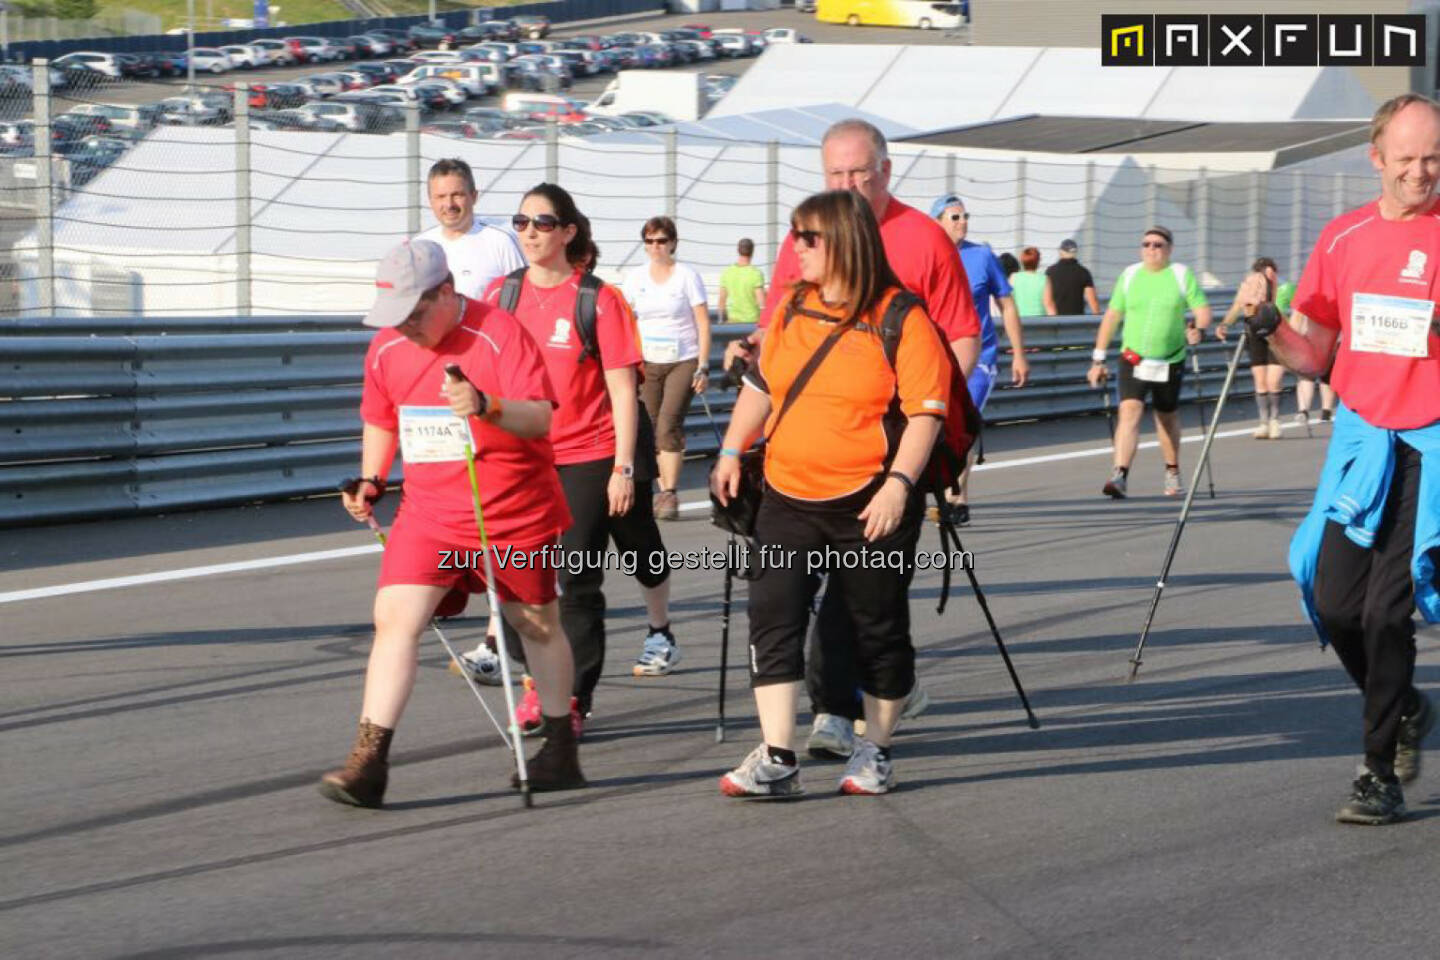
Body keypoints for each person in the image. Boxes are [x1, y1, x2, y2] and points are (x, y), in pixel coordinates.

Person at [722, 118, 981, 762]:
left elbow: (961, 342)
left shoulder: (924, 242)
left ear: (884, 170)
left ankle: (848, 711)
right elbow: (777, 345)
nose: (845, 183)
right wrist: (737, 433)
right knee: (782, 598)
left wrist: (917, 437)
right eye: (834, 173)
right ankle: (818, 722)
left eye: (856, 172)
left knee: (859, 601)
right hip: (801, 460)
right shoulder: (801, 246)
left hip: (888, 453)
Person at [319, 239, 583, 809]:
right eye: (397, 317)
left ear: (446, 293)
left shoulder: (500, 333)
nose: (406, 328)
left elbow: (540, 418)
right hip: (431, 513)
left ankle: (561, 746)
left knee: (536, 625)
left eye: (416, 313)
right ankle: (369, 762)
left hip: (513, 512)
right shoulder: (387, 347)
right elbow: (380, 418)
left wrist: (486, 405)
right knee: (393, 620)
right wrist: (371, 480)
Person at [1247, 94, 1439, 825]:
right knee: (1333, 601)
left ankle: (1377, 770)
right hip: (1363, 439)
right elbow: (1312, 357)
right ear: (1377, 159)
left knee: (1389, 610)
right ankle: (1404, 708)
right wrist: (1266, 322)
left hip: (1433, 442)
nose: (1420, 173)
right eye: (1407, 160)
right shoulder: (1342, 237)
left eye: (1433, 159)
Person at [1086, 226, 1212, 499]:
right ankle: (1119, 474)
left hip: (1170, 359)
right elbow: (1112, 317)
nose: (1151, 249)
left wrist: (1198, 330)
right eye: (1146, 244)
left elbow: (1202, 310)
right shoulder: (1130, 275)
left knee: (1166, 417)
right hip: (1134, 358)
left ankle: (1172, 470)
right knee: (1129, 411)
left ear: (1169, 249)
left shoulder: (1180, 274)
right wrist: (1098, 358)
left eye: (1158, 245)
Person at [930, 193, 1030, 522]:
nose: (963, 222)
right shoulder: (927, 254)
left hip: (979, 355)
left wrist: (1018, 354)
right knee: (932, 422)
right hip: (934, 356)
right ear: (938, 222)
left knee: (961, 420)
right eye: (954, 217)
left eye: (964, 216)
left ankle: (957, 500)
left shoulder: (982, 256)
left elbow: (1007, 306)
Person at [620, 216, 711, 521]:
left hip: (682, 359)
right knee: (651, 425)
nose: (656, 247)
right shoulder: (635, 278)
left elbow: (702, 321)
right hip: (648, 362)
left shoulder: (686, 275)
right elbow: (626, 320)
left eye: (661, 241)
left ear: (672, 243)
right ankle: (659, 490)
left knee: (668, 425)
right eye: (649, 241)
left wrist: (703, 366)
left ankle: (669, 493)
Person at [416, 157, 526, 299]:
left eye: (457, 195)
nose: (449, 204)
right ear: (431, 201)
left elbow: (523, 298)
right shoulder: (420, 247)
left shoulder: (501, 241)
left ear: (474, 197)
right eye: (441, 196)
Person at [1217, 257, 1289, 440]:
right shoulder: (1253, 284)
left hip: (1273, 332)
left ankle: (1272, 421)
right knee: (1263, 379)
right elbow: (1240, 305)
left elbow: (1242, 306)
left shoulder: (1278, 287)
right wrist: (1226, 324)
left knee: (1269, 380)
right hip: (1260, 331)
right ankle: (1266, 422)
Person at [1043, 238, 1100, 316]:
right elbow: (1092, 300)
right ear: (1075, 252)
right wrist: (1097, 319)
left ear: (1060, 252)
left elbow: (1047, 300)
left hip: (1056, 320)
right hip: (1077, 320)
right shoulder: (1083, 272)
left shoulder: (1050, 272)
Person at [717, 238, 767, 326]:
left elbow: (722, 300)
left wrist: (721, 321)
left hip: (733, 322)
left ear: (738, 250)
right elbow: (761, 303)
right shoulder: (756, 273)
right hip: (752, 322)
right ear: (752, 251)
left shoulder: (727, 272)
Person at [1010, 246, 1046, 317]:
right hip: (1040, 322)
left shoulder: (1013, 277)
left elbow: (1009, 301)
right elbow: (1049, 305)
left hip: (1019, 320)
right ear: (1038, 261)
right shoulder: (1044, 279)